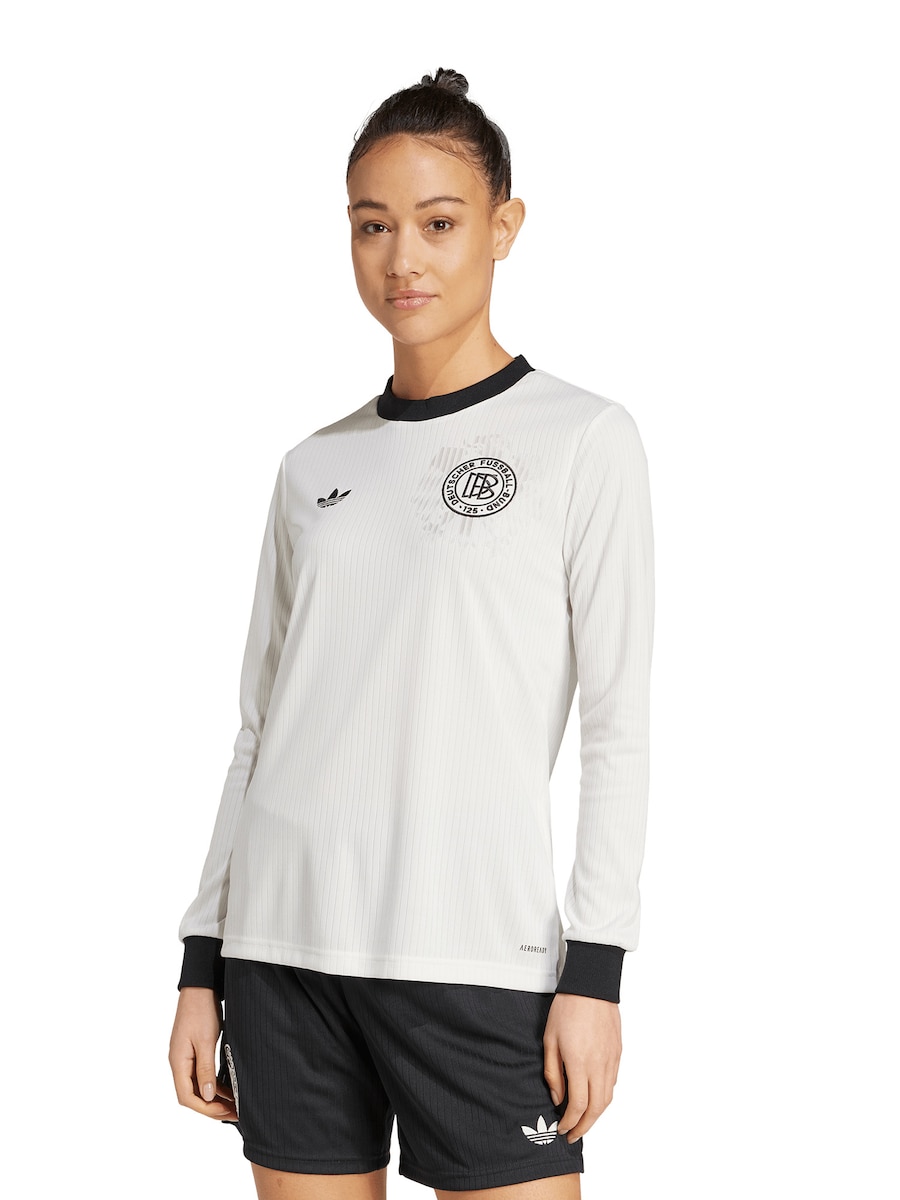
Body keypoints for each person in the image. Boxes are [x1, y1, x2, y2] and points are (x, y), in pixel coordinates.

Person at [169, 67, 655, 1200]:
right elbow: (258, 730)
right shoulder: (313, 466)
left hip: (474, 957)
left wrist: (596, 973)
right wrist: (202, 959)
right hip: (282, 954)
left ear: (503, 228)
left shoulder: (584, 440)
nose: (403, 259)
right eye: (372, 225)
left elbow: (618, 727)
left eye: (439, 224)